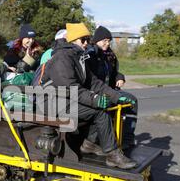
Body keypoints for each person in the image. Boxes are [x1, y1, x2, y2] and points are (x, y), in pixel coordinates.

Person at [41, 23, 137, 170]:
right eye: (83, 39)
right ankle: (112, 155)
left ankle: (90, 144)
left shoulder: (78, 56)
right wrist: (95, 99)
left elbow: (94, 83)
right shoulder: (62, 58)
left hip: (64, 98)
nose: (87, 43)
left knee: (106, 106)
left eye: (88, 39)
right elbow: (70, 88)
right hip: (51, 101)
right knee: (99, 110)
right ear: (73, 40)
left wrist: (116, 96)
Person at [86, 26, 138, 149]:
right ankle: (93, 141)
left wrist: (120, 77)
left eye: (109, 41)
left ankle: (127, 138)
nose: (107, 43)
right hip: (96, 92)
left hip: (110, 91)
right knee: (106, 106)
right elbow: (90, 78)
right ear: (96, 40)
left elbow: (114, 72)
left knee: (132, 101)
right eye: (104, 40)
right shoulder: (90, 55)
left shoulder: (109, 55)